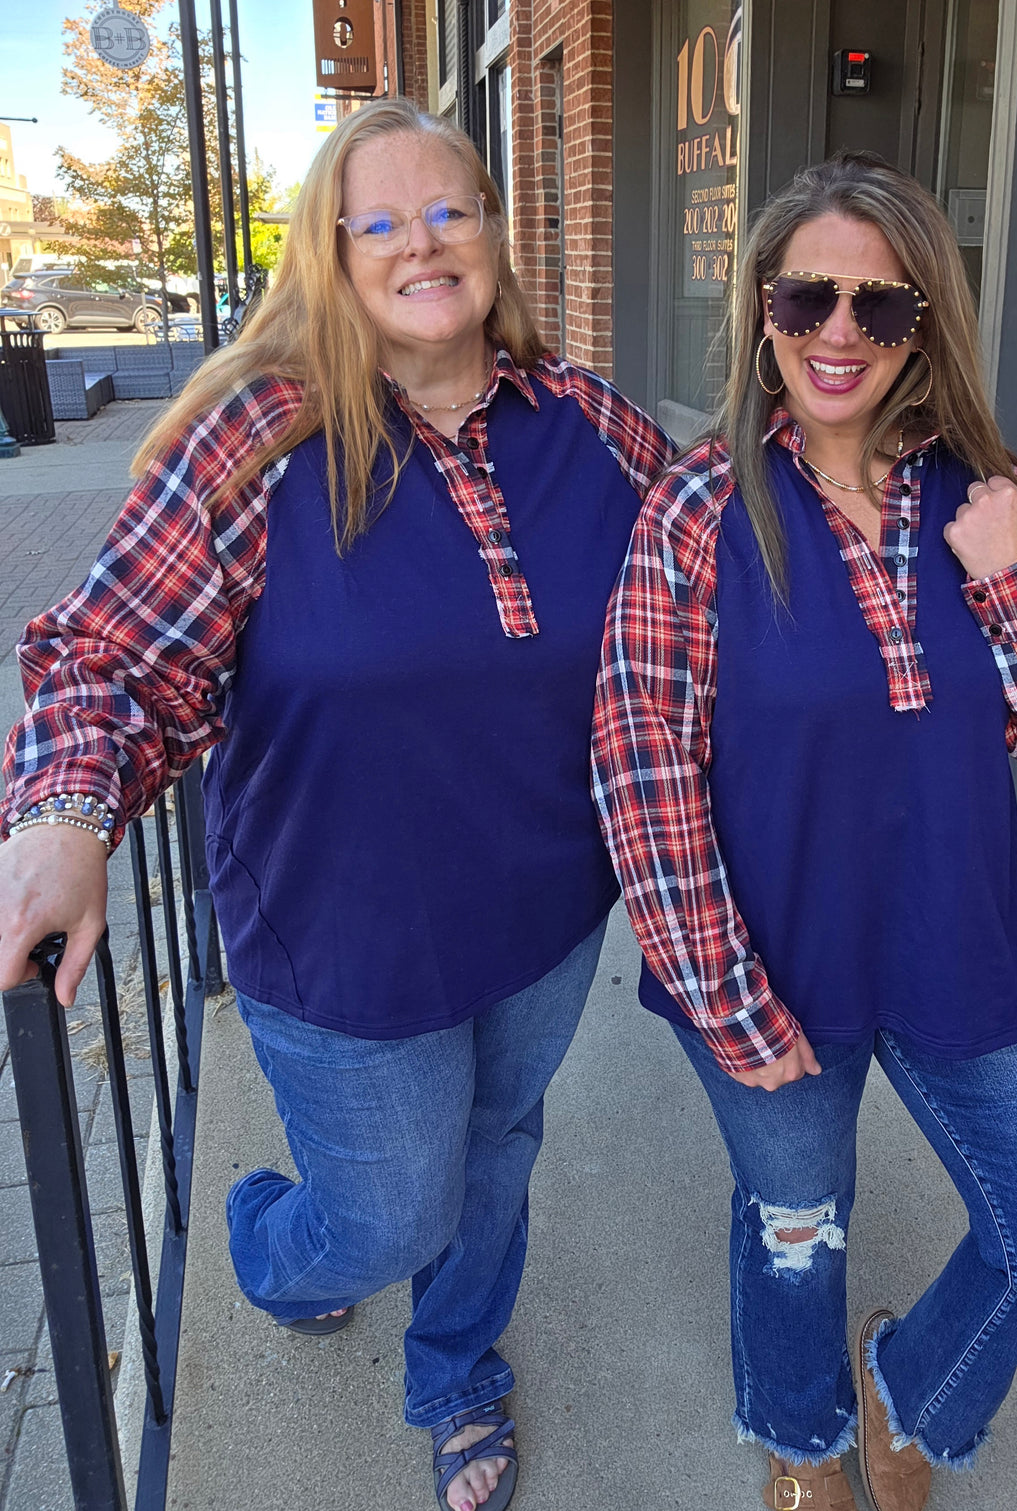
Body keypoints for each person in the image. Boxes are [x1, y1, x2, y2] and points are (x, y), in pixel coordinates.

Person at [0, 98, 670, 1511]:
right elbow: (106, 652)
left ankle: (455, 1368)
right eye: (383, 222)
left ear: (493, 232)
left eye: (451, 211)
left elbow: (725, 572)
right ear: (332, 252)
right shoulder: (259, 439)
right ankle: (265, 1241)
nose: (424, 244)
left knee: (493, 1156)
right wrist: (68, 818)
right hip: (341, 932)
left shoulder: (590, 425)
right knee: (383, 1208)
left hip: (547, 914)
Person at [592, 152, 1017, 1511]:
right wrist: (725, 997)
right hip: (771, 960)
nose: (840, 335)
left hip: (962, 941)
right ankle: (801, 1435)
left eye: (882, 309)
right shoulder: (699, 511)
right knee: (796, 1232)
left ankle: (912, 1394)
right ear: (762, 311)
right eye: (808, 299)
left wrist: (1012, 578)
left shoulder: (990, 497)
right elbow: (642, 770)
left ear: (924, 327)